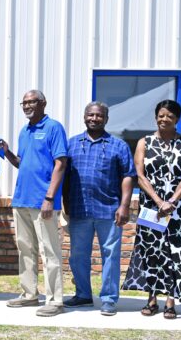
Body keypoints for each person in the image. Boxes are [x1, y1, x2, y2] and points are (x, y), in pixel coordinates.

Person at [122, 100, 181, 319]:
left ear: (177, 120)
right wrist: (158, 201)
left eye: (170, 116)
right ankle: (152, 298)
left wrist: (171, 201)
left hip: (177, 209)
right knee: (151, 251)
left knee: (175, 251)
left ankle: (171, 300)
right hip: (151, 209)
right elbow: (140, 174)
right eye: (161, 115)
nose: (164, 119)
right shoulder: (144, 142)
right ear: (156, 116)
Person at [0, 90, 67, 317]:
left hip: (43, 201)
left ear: (43, 103)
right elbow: (21, 163)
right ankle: (29, 295)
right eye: (24, 103)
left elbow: (60, 163)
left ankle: (55, 300)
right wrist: (6, 152)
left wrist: (49, 198)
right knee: (25, 249)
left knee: (49, 251)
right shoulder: (24, 131)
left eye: (31, 102)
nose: (27, 106)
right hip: (22, 199)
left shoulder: (53, 128)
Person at [63, 102, 136, 316]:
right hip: (79, 210)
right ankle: (83, 294)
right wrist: (65, 203)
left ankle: (109, 299)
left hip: (110, 210)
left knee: (111, 255)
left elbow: (128, 176)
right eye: (90, 115)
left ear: (106, 119)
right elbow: (64, 176)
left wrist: (124, 205)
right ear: (84, 117)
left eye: (99, 115)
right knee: (78, 255)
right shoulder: (72, 144)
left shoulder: (118, 145)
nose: (94, 118)